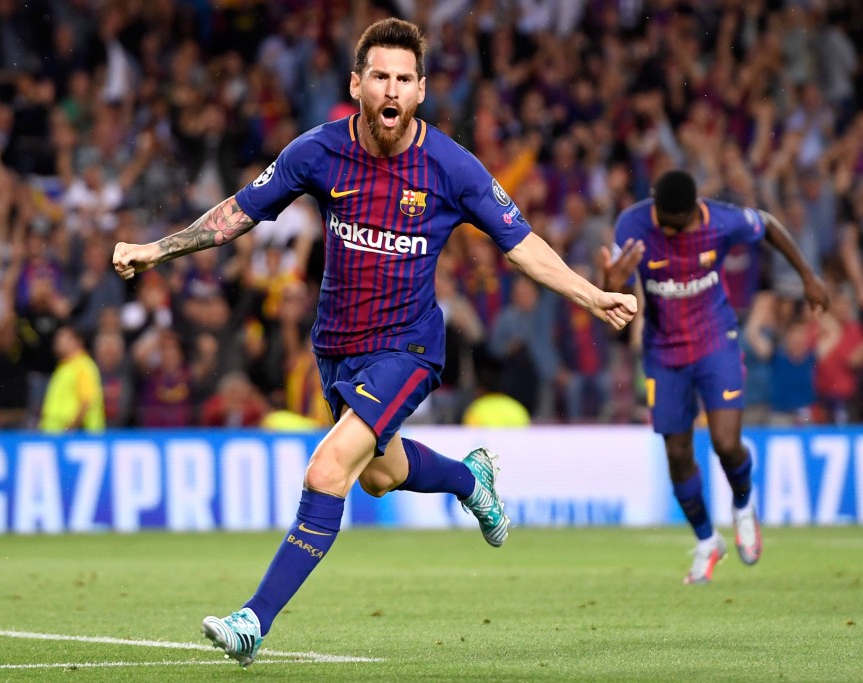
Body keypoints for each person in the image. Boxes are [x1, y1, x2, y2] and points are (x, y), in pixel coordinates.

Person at [114, 18, 637, 667]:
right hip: (336, 348)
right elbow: (237, 213)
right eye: (381, 76)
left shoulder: (452, 167)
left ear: (419, 91)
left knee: (327, 470)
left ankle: (253, 619)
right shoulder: (318, 151)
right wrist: (154, 250)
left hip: (409, 349)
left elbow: (521, 245)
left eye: (405, 78)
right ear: (358, 84)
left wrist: (592, 294)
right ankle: (471, 477)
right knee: (381, 476)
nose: (392, 89)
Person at [602, 169, 828, 584]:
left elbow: (770, 226)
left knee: (726, 443)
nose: (668, 230)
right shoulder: (631, 225)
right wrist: (610, 284)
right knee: (677, 453)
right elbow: (614, 308)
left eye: (676, 223)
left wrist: (808, 276)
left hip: (714, 342)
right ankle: (708, 541)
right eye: (662, 221)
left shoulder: (723, 221)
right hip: (663, 351)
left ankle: (743, 506)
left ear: (694, 211)